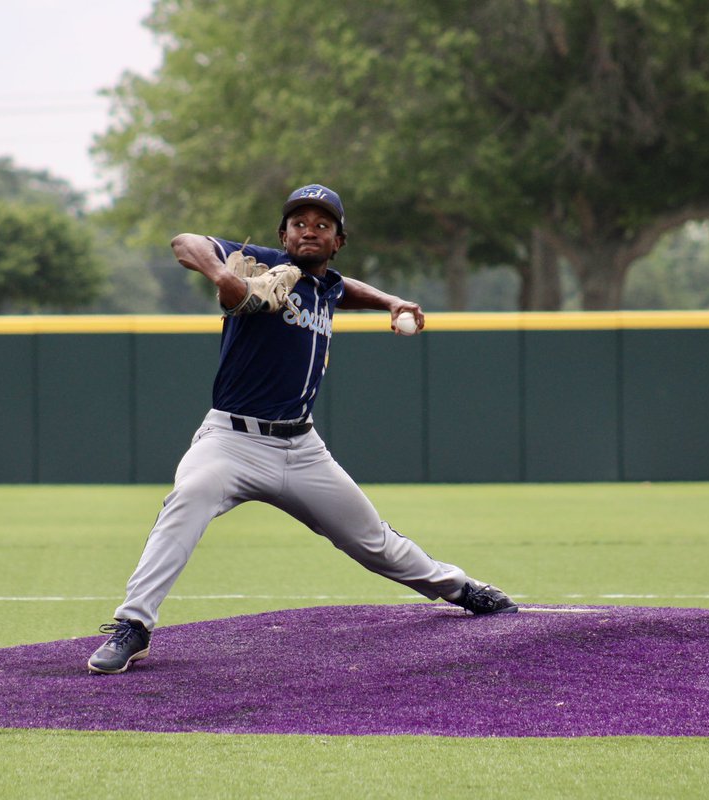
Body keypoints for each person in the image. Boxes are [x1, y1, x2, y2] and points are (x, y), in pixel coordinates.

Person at [88, 184, 518, 675]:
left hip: (302, 448)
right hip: (232, 441)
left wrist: (392, 300)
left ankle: (459, 589)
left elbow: (343, 289)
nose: (308, 231)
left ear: (338, 241)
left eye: (321, 225)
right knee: (187, 500)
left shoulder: (327, 285)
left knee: (373, 542)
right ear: (283, 234)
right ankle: (133, 626)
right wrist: (223, 275)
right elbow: (184, 241)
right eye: (298, 223)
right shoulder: (265, 263)